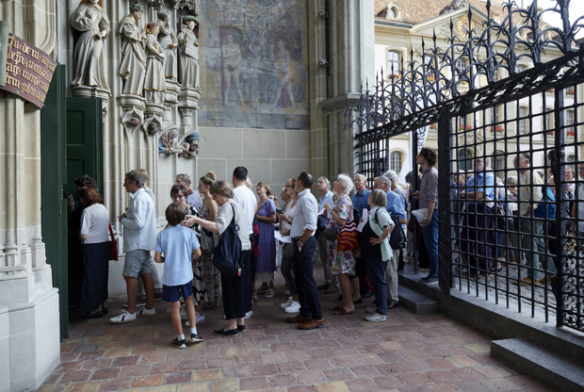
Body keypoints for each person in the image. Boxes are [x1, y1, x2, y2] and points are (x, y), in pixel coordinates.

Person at [185, 181, 251, 335]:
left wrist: (196, 220)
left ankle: (232, 325)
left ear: (222, 193)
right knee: (238, 287)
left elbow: (218, 227)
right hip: (242, 250)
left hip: (233, 253)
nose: (214, 199)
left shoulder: (227, 205)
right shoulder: (235, 203)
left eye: (215, 195)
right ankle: (240, 322)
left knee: (230, 287)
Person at [154, 203, 205, 349]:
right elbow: (198, 252)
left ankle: (180, 338)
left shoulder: (162, 234)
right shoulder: (189, 232)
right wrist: (190, 257)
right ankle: (194, 333)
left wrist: (167, 259)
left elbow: (157, 259)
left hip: (170, 275)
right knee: (189, 301)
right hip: (186, 274)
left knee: (174, 306)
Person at [110, 171, 157, 323]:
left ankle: (130, 312)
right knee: (146, 273)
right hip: (142, 242)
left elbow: (138, 223)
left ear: (133, 183)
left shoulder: (139, 198)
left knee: (130, 275)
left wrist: (123, 220)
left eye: (126, 181)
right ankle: (149, 307)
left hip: (137, 243)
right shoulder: (143, 196)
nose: (124, 184)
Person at [286, 172, 324, 330]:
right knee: (300, 280)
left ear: (300, 183)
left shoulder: (307, 198)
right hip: (300, 242)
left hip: (305, 243)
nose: (294, 183)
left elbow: (311, 225)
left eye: (295, 181)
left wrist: (301, 243)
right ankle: (306, 312)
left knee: (307, 280)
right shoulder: (302, 197)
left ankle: (317, 317)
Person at [513, 152, 556, 285]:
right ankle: (552, 274)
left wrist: (530, 212)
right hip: (532, 215)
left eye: (517, 160)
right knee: (540, 245)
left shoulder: (530, 175)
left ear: (526, 162)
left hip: (531, 215)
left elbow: (536, 195)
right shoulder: (525, 175)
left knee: (530, 245)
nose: (514, 162)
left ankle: (533, 277)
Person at [324, 174, 360, 315]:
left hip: (342, 242)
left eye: (338, 181)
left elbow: (343, 221)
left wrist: (330, 210)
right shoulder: (340, 198)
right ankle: (345, 301)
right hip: (337, 242)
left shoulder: (344, 199)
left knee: (343, 272)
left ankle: (349, 304)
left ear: (344, 186)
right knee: (339, 272)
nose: (334, 181)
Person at [170, 185, 205, 325]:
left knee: (195, 283)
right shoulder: (173, 211)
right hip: (179, 255)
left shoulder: (190, 210)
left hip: (191, 254)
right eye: (174, 196)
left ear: (185, 196)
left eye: (180, 196)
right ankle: (188, 309)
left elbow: (197, 234)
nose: (177, 199)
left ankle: (199, 313)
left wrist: (193, 256)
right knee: (183, 284)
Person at [359, 189, 395, 322]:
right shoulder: (373, 211)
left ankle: (381, 312)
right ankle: (380, 307)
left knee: (378, 281)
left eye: (371, 195)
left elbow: (390, 225)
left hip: (377, 253)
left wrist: (380, 239)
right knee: (375, 281)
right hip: (371, 253)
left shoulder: (380, 211)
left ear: (375, 198)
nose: (369, 197)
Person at [459, 157, 495, 278]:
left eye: (479, 161)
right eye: (475, 162)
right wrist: (470, 195)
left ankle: (484, 270)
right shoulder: (472, 179)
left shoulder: (489, 177)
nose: (476, 164)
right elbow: (465, 195)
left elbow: (480, 194)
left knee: (481, 241)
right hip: (469, 211)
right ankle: (474, 268)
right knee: (464, 241)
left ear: (485, 163)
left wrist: (467, 195)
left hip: (482, 211)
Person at [78, 186, 110, 318]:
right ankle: (103, 304)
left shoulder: (87, 211)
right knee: (101, 276)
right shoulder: (103, 208)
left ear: (85, 198)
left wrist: (78, 237)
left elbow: (84, 234)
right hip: (103, 245)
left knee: (91, 278)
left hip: (91, 246)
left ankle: (94, 308)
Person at [68, 175, 98, 312]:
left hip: (85, 245)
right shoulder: (89, 206)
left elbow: (82, 228)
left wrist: (78, 236)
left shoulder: (88, 208)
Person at [134, 169, 163, 303]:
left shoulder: (144, 193)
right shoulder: (145, 192)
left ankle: (154, 290)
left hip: (143, 235)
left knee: (147, 263)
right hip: (143, 235)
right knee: (145, 264)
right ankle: (144, 293)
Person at [232, 166, 256, 318]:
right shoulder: (251, 193)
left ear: (233, 177)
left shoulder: (234, 193)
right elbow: (254, 211)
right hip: (249, 236)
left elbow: (232, 217)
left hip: (238, 239)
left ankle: (240, 309)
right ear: (246, 178)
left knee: (238, 273)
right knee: (245, 272)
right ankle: (247, 308)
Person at [414, 147, 440, 284]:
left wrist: (429, 216)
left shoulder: (431, 174)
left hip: (432, 213)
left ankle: (435, 273)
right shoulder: (426, 173)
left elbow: (433, 198)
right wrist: (420, 195)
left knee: (432, 243)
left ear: (426, 157)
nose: (417, 156)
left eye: (419, 154)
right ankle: (433, 271)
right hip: (428, 212)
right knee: (429, 243)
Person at [197, 172, 220, 309]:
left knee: (213, 271)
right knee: (206, 271)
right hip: (203, 240)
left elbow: (214, 223)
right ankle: (209, 297)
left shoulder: (212, 201)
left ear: (207, 186)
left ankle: (214, 298)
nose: (198, 187)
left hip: (210, 242)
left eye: (200, 185)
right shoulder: (204, 200)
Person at [278, 178, 301, 313]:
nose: (285, 188)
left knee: (288, 269)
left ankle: (297, 299)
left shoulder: (300, 202)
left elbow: (300, 223)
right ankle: (294, 297)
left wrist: (286, 220)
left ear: (293, 188)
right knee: (286, 269)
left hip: (296, 239)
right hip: (288, 238)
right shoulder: (291, 201)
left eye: (287, 186)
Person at [254, 182, 277, 298]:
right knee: (260, 257)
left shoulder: (269, 202)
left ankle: (271, 286)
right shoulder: (258, 204)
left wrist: (258, 217)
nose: (258, 188)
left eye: (261, 186)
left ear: (266, 190)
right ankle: (264, 284)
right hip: (259, 233)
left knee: (267, 257)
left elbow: (273, 219)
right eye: (257, 186)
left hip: (267, 234)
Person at [352, 173, 373, 299]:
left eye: (359, 180)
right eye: (355, 180)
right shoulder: (353, 197)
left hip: (367, 232)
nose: (356, 182)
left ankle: (369, 287)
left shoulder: (370, 196)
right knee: (358, 260)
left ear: (365, 182)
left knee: (366, 261)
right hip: (355, 233)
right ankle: (361, 287)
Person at [316, 177, 338, 293]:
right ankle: (328, 281)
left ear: (327, 185)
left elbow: (334, 214)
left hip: (329, 231)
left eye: (321, 182)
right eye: (317, 182)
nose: (318, 184)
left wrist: (324, 214)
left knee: (331, 257)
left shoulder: (332, 196)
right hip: (321, 229)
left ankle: (334, 284)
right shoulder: (321, 198)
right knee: (324, 257)